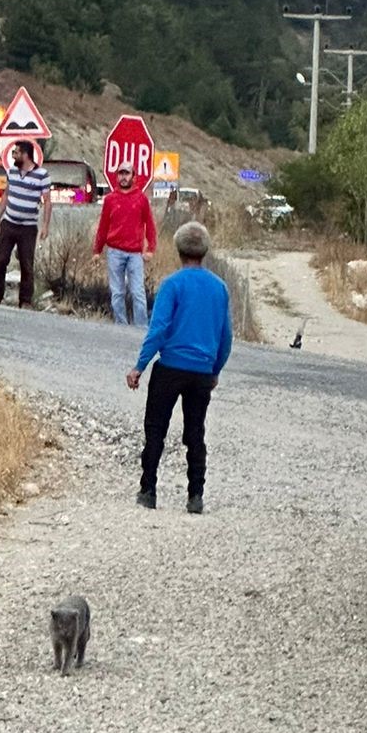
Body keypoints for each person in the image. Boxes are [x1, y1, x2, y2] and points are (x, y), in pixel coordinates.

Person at [126, 221, 232, 515]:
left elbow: (158, 329)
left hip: (170, 367)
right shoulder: (219, 288)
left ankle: (148, 490)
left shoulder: (172, 285)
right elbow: (225, 338)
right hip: (201, 372)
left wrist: (140, 366)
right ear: (205, 251)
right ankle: (195, 495)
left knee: (156, 429)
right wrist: (214, 371)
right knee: (195, 432)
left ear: (178, 250)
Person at [92, 162, 157, 325]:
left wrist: (151, 248)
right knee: (117, 293)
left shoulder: (141, 199)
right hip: (114, 251)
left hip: (135, 253)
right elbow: (103, 226)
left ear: (133, 177)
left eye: (127, 173)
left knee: (138, 292)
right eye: (121, 173)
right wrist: (97, 251)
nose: (123, 177)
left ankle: (140, 328)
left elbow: (149, 224)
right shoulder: (110, 200)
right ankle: (121, 326)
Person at [0, 140, 50, 308]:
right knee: (0, 260)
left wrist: (45, 225)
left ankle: (25, 300)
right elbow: (6, 195)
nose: (14, 156)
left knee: (26, 263)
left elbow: (47, 202)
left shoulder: (42, 175)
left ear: (25, 155)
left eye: (16, 153)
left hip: (28, 227)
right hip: (9, 223)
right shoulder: (12, 172)